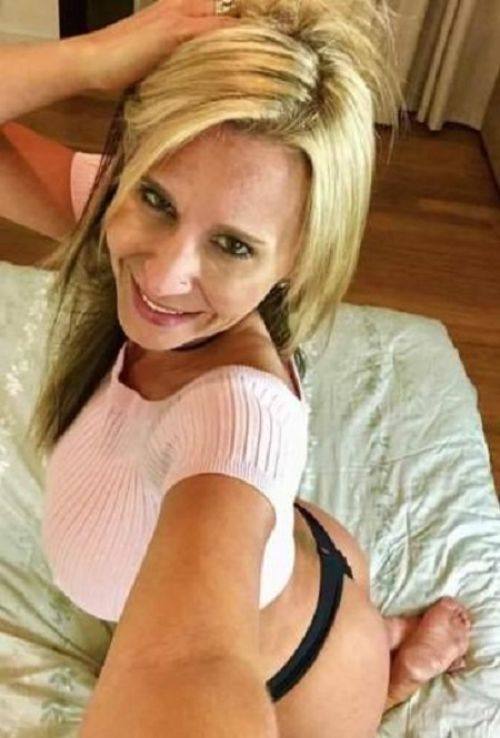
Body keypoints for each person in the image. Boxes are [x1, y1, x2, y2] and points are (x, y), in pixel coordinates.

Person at [0, 0, 471, 735]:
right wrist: (89, 58)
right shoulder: (121, 221)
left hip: (307, 682)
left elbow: (192, 663)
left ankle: (385, 668)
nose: (163, 275)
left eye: (233, 246)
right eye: (156, 197)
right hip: (303, 563)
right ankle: (383, 635)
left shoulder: (235, 419)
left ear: (297, 261)